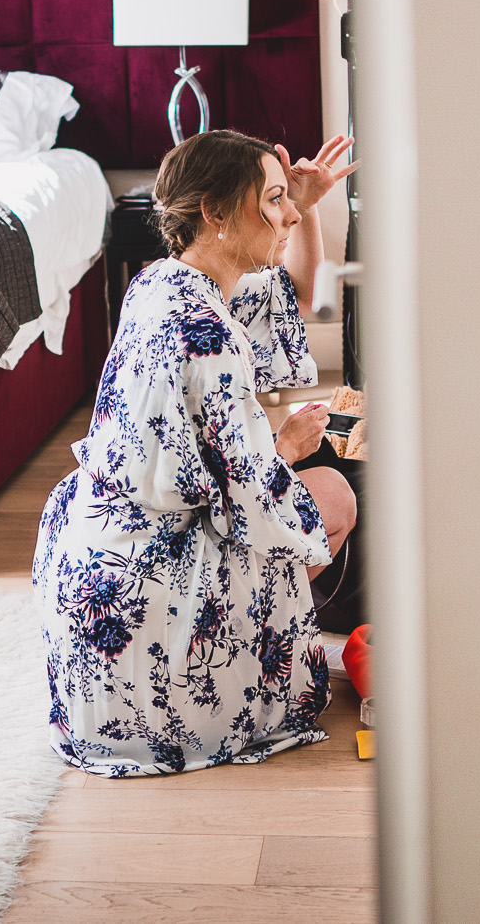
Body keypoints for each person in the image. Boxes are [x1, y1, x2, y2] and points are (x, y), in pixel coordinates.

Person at [35, 129, 358, 776]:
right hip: (153, 592)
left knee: (306, 484)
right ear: (214, 211)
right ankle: (238, 662)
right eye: (272, 201)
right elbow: (248, 497)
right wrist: (288, 445)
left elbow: (288, 294)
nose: (289, 216)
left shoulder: (163, 283)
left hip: (99, 558)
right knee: (334, 494)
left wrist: (303, 201)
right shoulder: (205, 333)